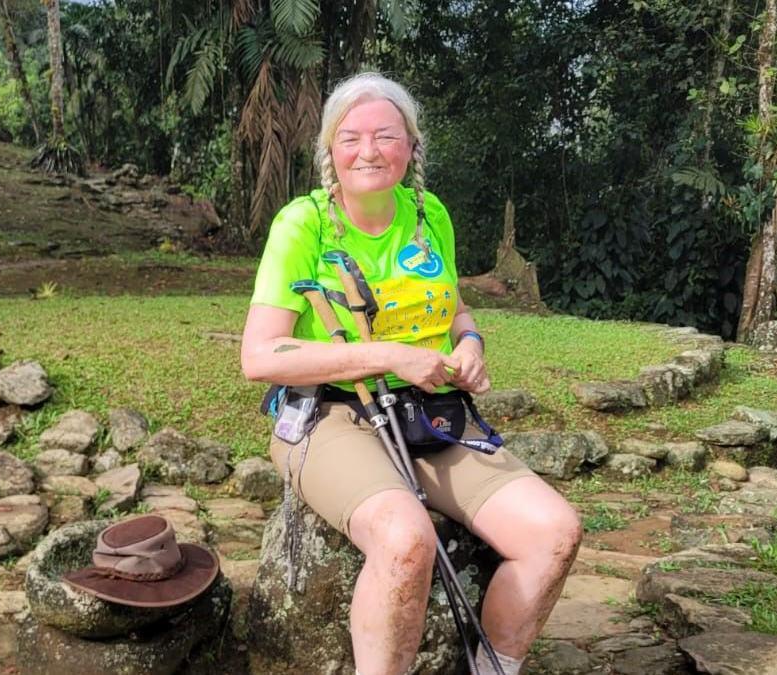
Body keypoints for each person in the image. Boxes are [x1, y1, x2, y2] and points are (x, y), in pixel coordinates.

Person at [240, 73, 582, 675]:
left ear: (410, 147)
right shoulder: (304, 224)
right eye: (350, 138)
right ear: (329, 150)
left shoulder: (430, 216)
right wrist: (389, 355)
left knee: (553, 532)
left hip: (428, 411)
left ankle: (495, 666)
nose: (367, 151)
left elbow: (454, 310)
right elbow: (261, 358)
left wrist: (470, 341)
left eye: (385, 136)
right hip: (328, 414)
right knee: (406, 540)